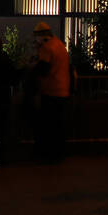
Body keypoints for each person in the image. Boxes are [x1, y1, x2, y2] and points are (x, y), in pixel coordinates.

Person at [31, 22, 71, 162]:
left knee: (48, 126)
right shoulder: (60, 45)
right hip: (63, 90)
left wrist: (32, 66)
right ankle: (59, 154)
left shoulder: (46, 48)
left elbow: (42, 69)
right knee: (59, 126)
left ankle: (48, 155)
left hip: (50, 91)